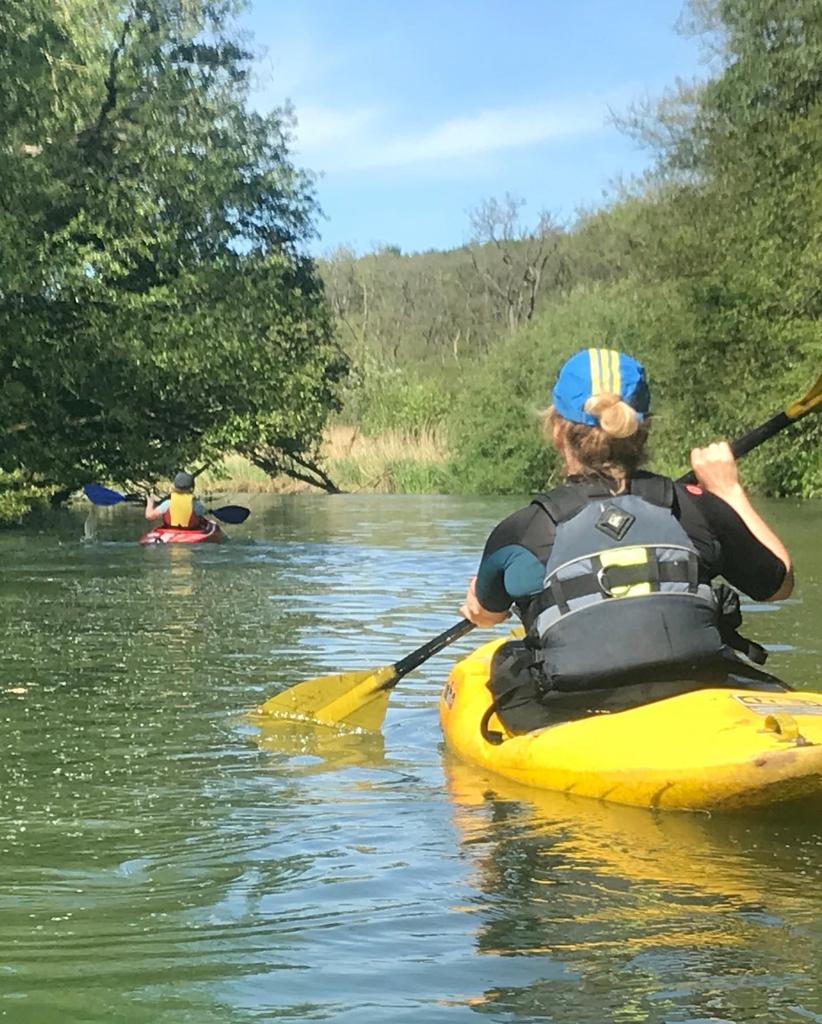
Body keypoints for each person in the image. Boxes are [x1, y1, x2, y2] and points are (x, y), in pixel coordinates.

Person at [459, 348, 795, 733]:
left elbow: (488, 612)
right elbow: (779, 584)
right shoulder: (697, 510)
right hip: (697, 686)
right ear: (645, 427)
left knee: (507, 658)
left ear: (555, 429)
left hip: (573, 705)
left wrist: (481, 608)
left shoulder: (523, 531)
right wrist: (730, 492)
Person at [145, 471, 209, 530]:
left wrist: (150, 503)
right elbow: (205, 513)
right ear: (192, 489)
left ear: (174, 487)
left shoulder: (167, 503)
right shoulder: (195, 504)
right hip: (191, 532)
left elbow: (149, 516)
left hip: (170, 532)